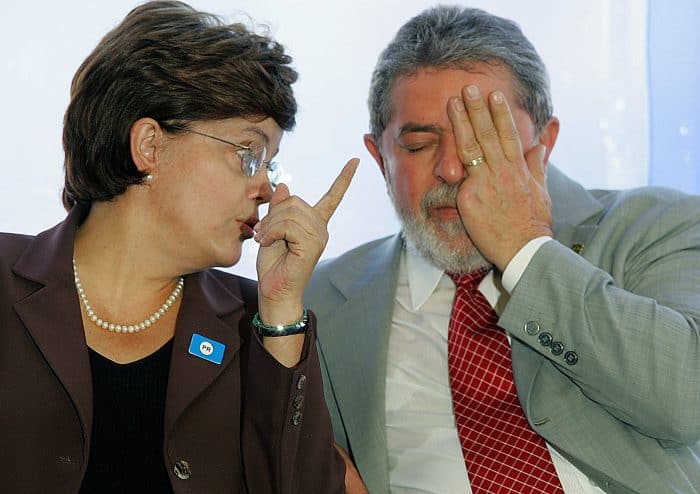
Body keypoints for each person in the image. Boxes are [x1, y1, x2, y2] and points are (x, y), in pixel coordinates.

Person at [305, 5, 700, 493]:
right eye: (419, 145)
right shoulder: (317, 300)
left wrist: (524, 248)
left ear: (544, 143)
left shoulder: (655, 226)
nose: (452, 169)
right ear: (380, 158)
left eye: (483, 141)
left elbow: (688, 400)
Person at [0, 1, 366, 493]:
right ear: (149, 145)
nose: (266, 189)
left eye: (271, 165)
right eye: (248, 154)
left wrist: (280, 313)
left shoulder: (259, 323)